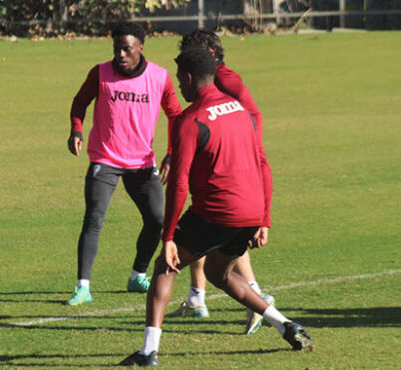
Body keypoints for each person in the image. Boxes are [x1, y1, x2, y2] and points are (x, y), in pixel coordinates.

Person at [119, 48, 311, 366]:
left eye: (180, 78)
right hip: (250, 211)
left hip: (219, 212)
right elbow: (262, 162)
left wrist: (168, 238)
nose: (179, 86)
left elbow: (179, 184)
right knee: (217, 272)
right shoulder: (240, 110)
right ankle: (285, 324)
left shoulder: (189, 120)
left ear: (190, 78)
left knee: (164, 267)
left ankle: (148, 351)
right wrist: (264, 217)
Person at [166, 29, 275, 335]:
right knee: (205, 226)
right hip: (217, 146)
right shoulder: (213, 82)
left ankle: (254, 293)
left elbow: (250, 115)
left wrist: (247, 147)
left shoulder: (225, 79)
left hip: (234, 151)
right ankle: (198, 297)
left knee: (216, 224)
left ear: (208, 57)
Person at [65, 23, 182, 305]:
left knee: (156, 220)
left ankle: (137, 276)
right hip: (105, 159)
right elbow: (80, 102)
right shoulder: (100, 73)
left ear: (140, 47)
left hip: (142, 163)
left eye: (126, 49)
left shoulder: (159, 77)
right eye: (116, 48)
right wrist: (76, 130)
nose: (120, 54)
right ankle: (83, 287)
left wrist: (171, 152)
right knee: (94, 219)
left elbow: (176, 115)